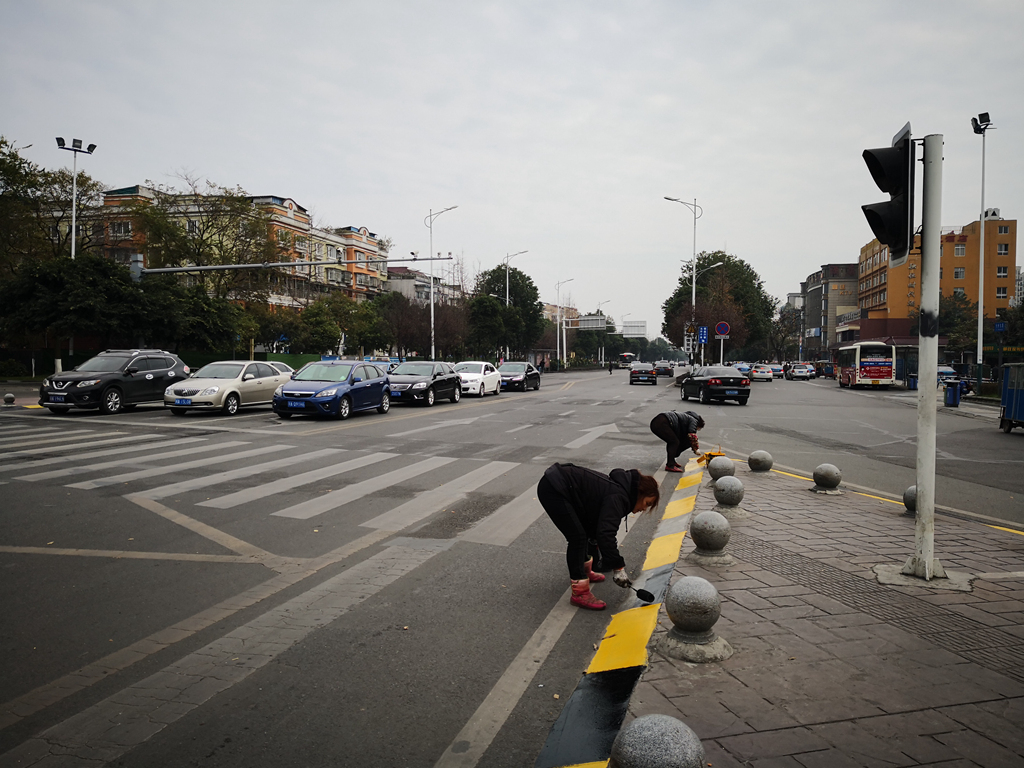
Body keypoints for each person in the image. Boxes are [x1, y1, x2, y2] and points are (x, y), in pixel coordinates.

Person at [537, 463, 660, 610]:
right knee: (577, 538)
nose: (644, 509)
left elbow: (596, 525)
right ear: (639, 494)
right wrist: (618, 567)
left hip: (561, 484)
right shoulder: (618, 498)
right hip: (554, 487)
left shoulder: (621, 493)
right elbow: (606, 534)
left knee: (583, 532)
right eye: (647, 503)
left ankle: (584, 571)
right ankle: (580, 592)